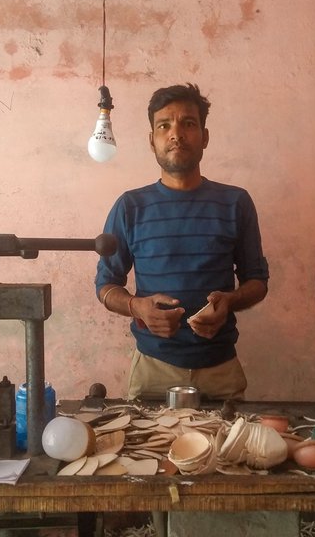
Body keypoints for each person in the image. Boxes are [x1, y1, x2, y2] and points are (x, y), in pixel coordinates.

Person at [95, 83, 269, 401]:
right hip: (152, 369)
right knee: (145, 451)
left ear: (204, 136)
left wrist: (229, 301)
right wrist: (138, 307)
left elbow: (257, 282)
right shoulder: (129, 207)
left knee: (227, 451)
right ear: (152, 140)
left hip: (221, 370)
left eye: (188, 123)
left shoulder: (236, 202)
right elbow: (105, 286)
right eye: (164, 125)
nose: (176, 134)